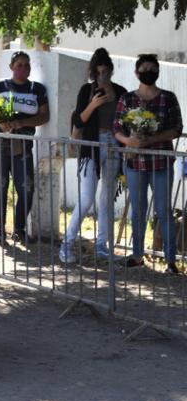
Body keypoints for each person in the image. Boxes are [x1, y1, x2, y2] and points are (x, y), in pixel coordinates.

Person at [113, 54, 183, 273]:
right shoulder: (127, 99)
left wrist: (151, 138)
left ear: (158, 71)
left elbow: (176, 128)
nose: (149, 71)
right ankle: (137, 256)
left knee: (164, 211)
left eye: (153, 68)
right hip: (135, 163)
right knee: (138, 210)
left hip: (161, 161)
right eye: (145, 68)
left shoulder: (168, 98)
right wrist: (129, 141)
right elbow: (116, 127)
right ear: (136, 72)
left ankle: (171, 261)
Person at [60, 48, 128, 265]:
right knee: (86, 199)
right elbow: (79, 121)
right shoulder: (87, 91)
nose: (103, 76)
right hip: (91, 148)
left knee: (107, 199)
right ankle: (66, 244)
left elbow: (127, 120)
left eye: (106, 71)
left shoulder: (120, 92)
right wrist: (95, 103)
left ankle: (101, 246)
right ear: (93, 73)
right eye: (99, 73)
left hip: (113, 146)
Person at [0, 51, 50, 245]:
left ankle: (19, 230)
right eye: (19, 64)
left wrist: (22, 123)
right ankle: (0, 232)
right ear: (12, 67)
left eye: (26, 65)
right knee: (0, 187)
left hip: (23, 147)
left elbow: (44, 116)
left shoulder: (37, 89)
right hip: (0, 146)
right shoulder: (0, 86)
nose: (23, 68)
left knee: (26, 189)